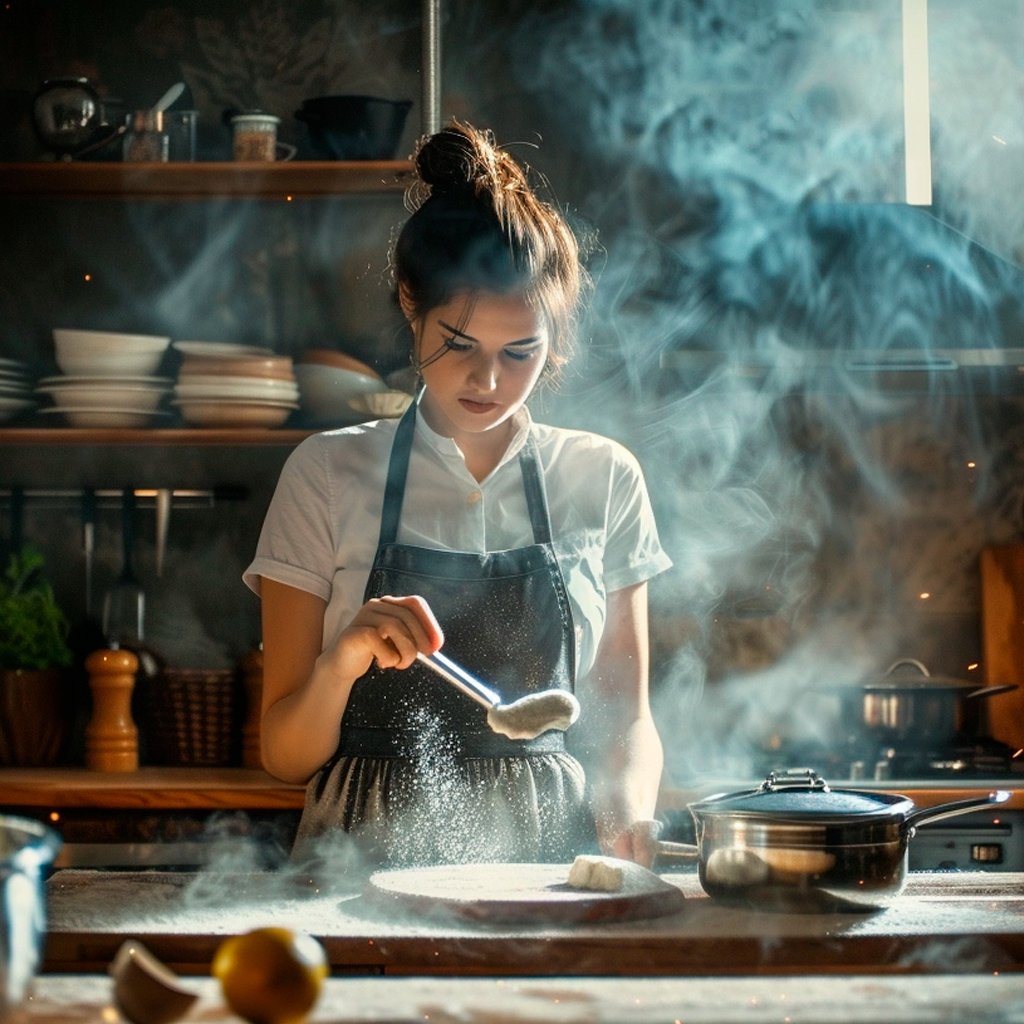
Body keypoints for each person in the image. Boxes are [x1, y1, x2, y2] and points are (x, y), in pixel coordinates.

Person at [244, 120, 672, 868]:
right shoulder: (325, 474)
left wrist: (629, 809)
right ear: (412, 309)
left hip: (548, 860)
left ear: (556, 337)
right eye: (459, 344)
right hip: (359, 854)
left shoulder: (603, 478)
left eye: (521, 353)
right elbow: (284, 754)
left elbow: (626, 718)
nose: (489, 381)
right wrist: (342, 661)